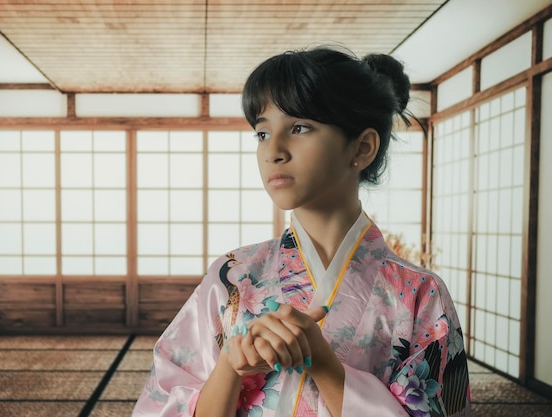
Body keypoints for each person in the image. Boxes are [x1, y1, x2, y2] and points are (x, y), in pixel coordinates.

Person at [132, 45, 471, 417]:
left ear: (362, 147)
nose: (273, 150)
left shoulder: (422, 295)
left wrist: (326, 366)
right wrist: (231, 366)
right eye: (262, 133)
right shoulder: (233, 275)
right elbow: (161, 405)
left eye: (299, 127)